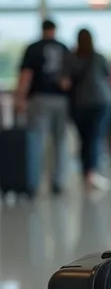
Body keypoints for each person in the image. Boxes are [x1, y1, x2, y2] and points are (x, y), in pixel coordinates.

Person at [15, 19, 72, 195]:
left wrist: (20, 99)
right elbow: (68, 79)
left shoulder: (33, 48)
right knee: (59, 142)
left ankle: (34, 182)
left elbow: (26, 75)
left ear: (42, 30)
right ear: (55, 30)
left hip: (39, 99)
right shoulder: (64, 48)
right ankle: (57, 182)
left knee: (36, 142)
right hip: (61, 101)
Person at [71, 28, 111, 191]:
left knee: (85, 138)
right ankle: (92, 173)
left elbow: (65, 81)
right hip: (101, 101)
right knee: (96, 136)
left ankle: (86, 172)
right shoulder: (99, 57)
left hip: (80, 102)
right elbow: (110, 75)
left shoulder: (73, 58)